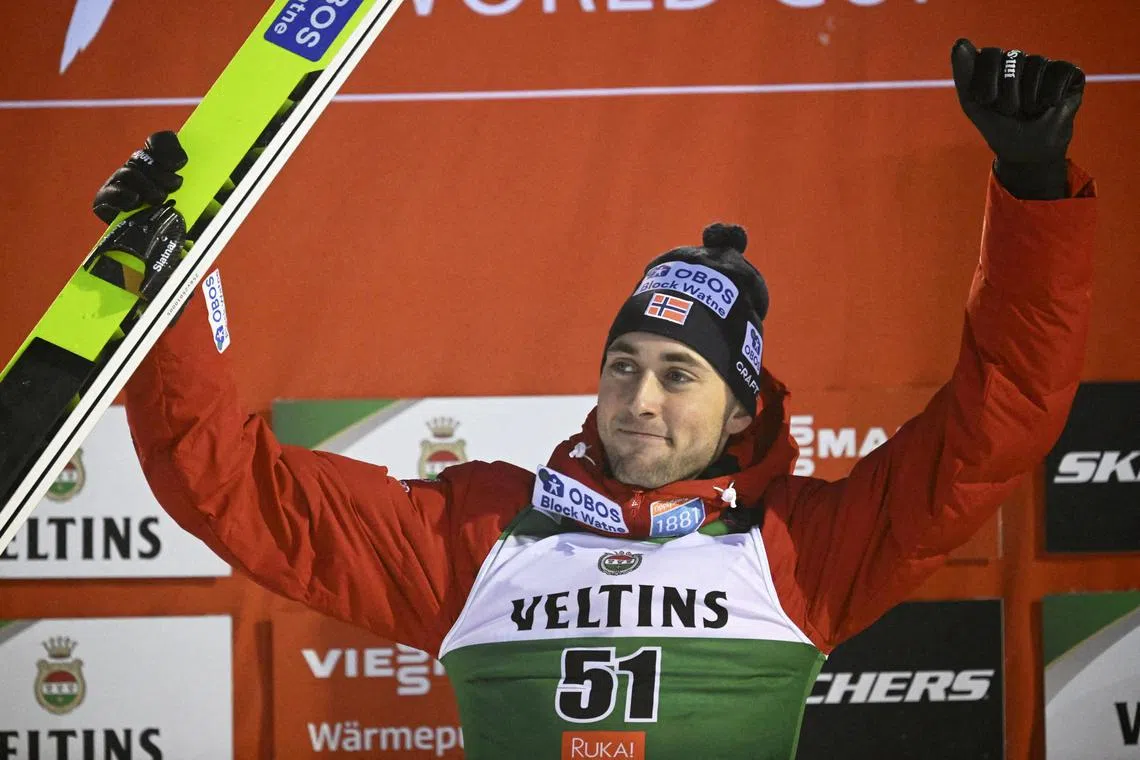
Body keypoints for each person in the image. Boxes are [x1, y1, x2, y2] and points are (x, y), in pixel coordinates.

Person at [100, 39, 1096, 759]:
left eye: (678, 374)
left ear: (743, 409)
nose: (640, 397)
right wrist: (169, 299)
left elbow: (997, 422)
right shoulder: (481, 530)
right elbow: (234, 488)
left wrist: (1034, 188)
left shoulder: (801, 550)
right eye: (623, 363)